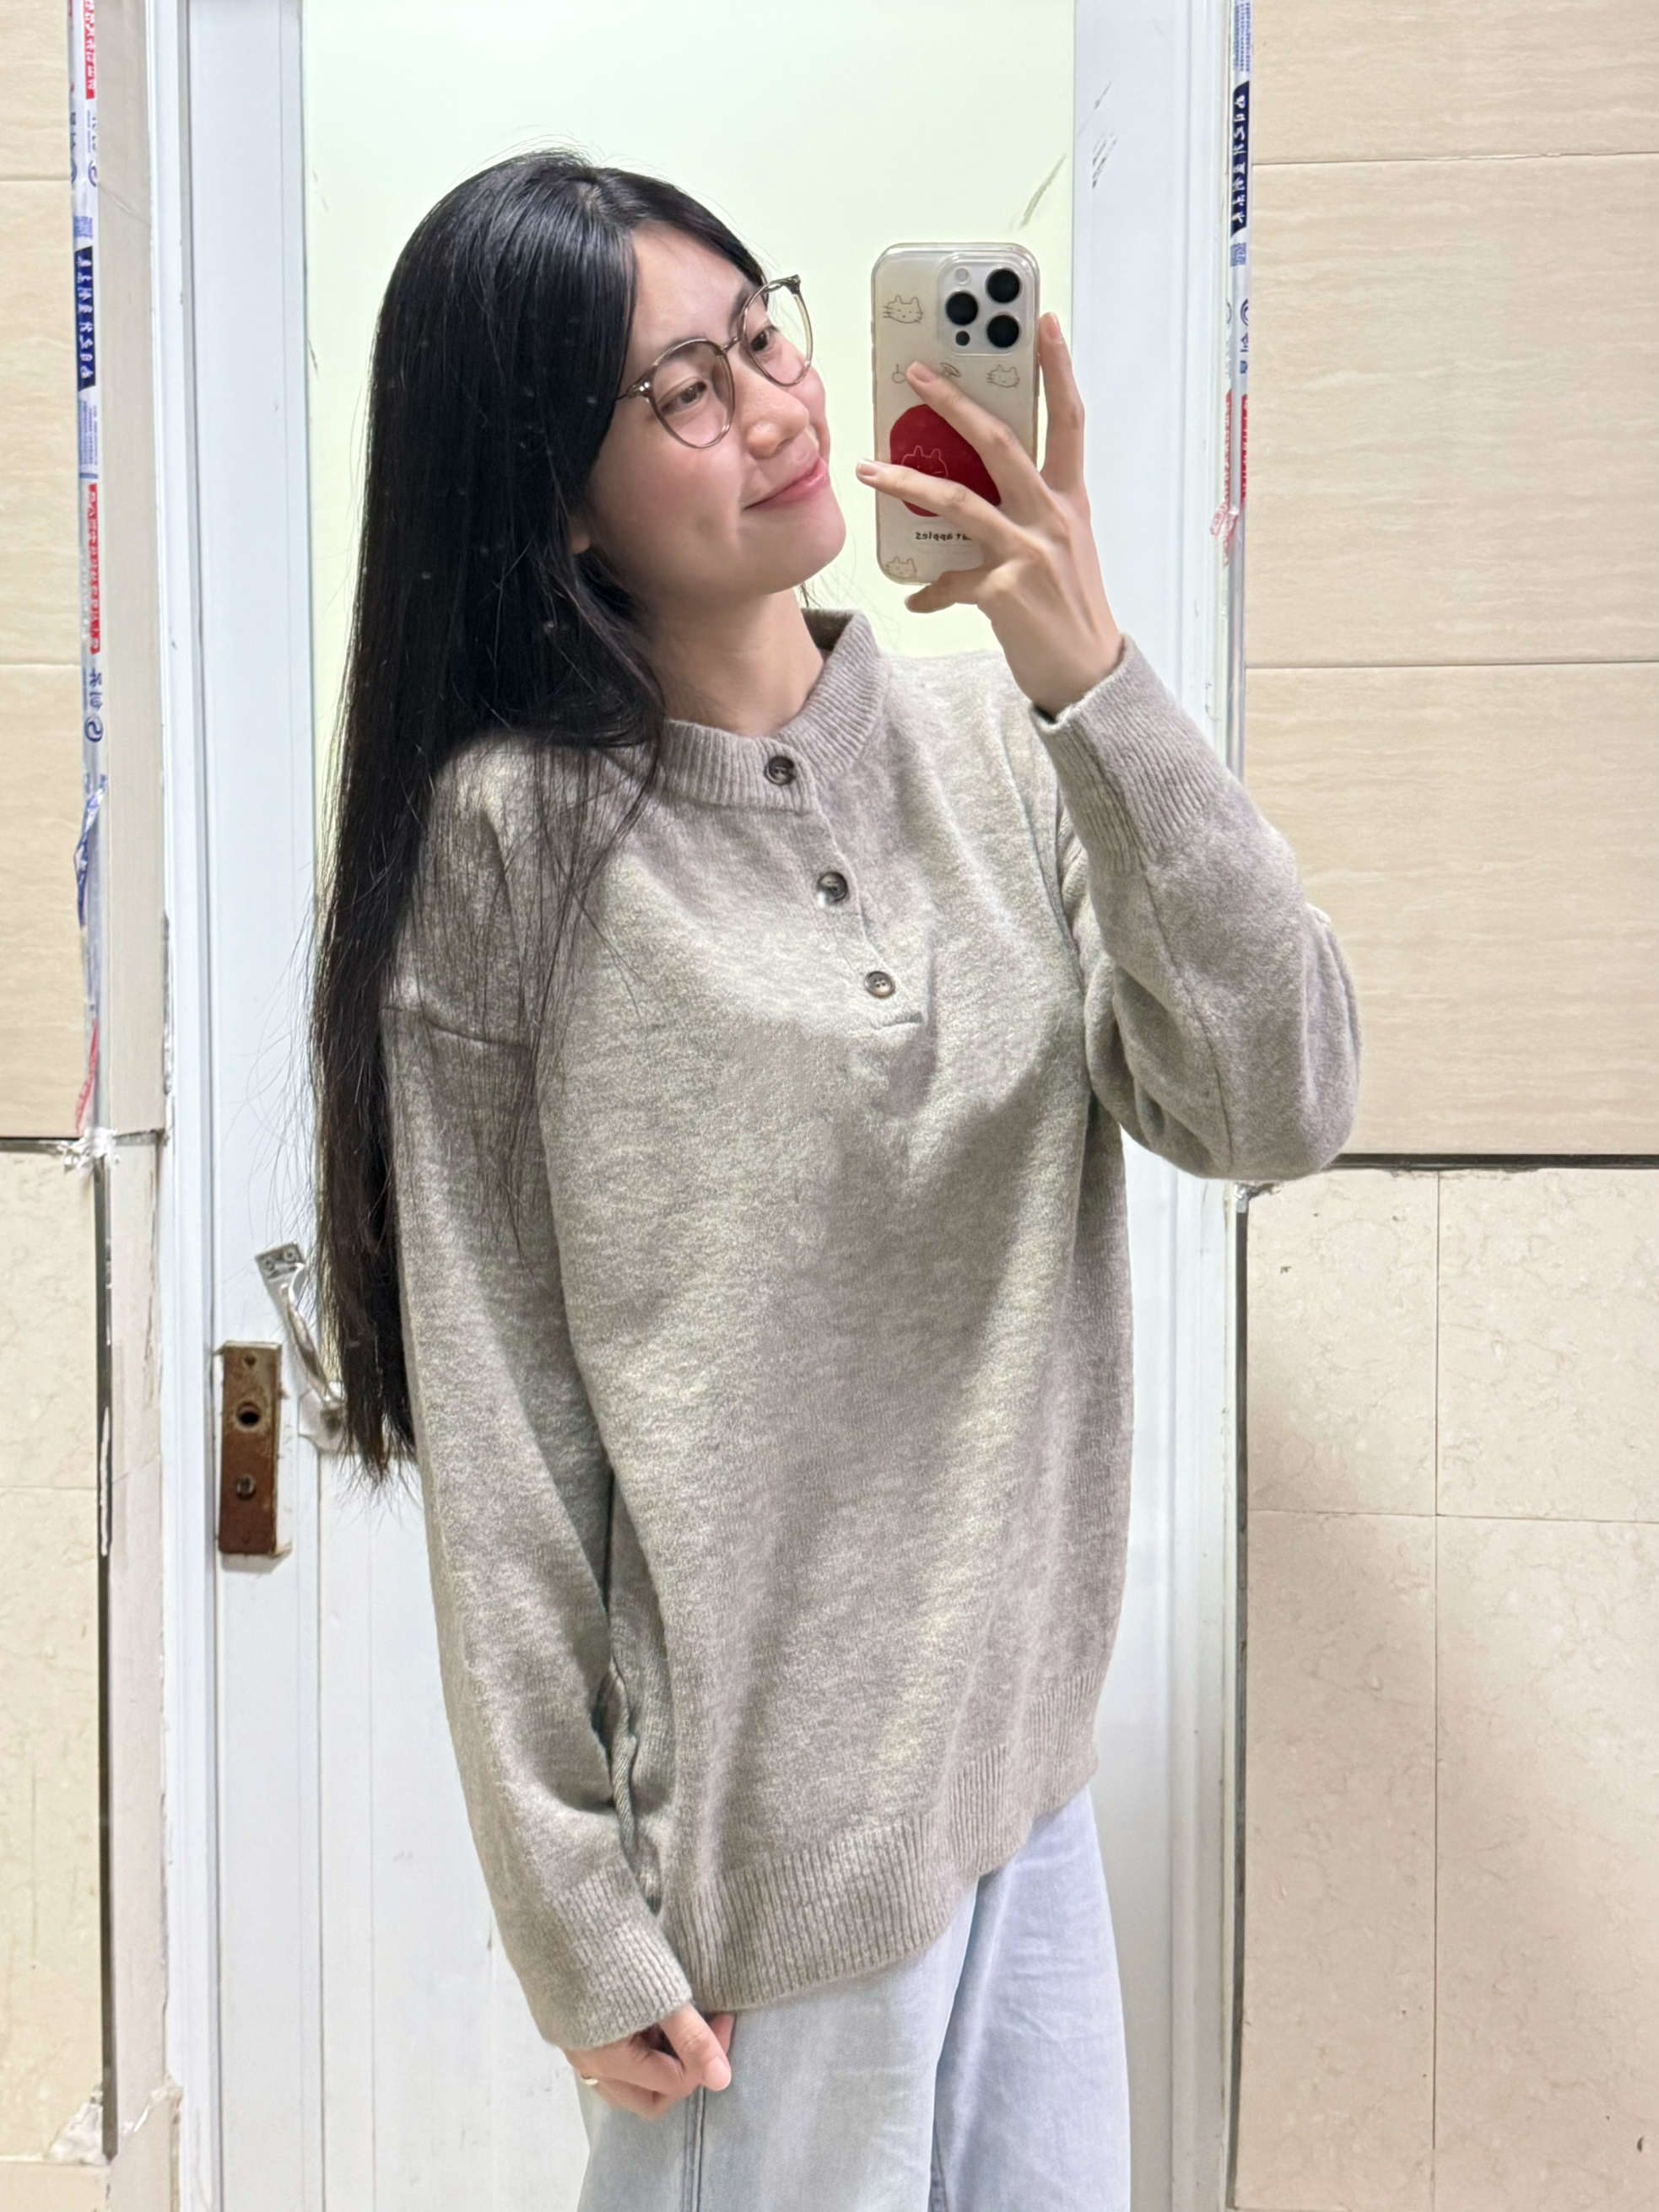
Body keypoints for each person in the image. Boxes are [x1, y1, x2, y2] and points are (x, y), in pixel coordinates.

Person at [311, 151, 1360, 2209]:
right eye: (679, 393)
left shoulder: (1003, 750)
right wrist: (569, 1914)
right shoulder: (513, 850)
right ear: (553, 496)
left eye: (761, 337)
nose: (777, 409)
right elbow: (505, 1417)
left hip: (1021, 1807)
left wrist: (1092, 677)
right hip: (755, 1900)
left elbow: (1277, 1104)